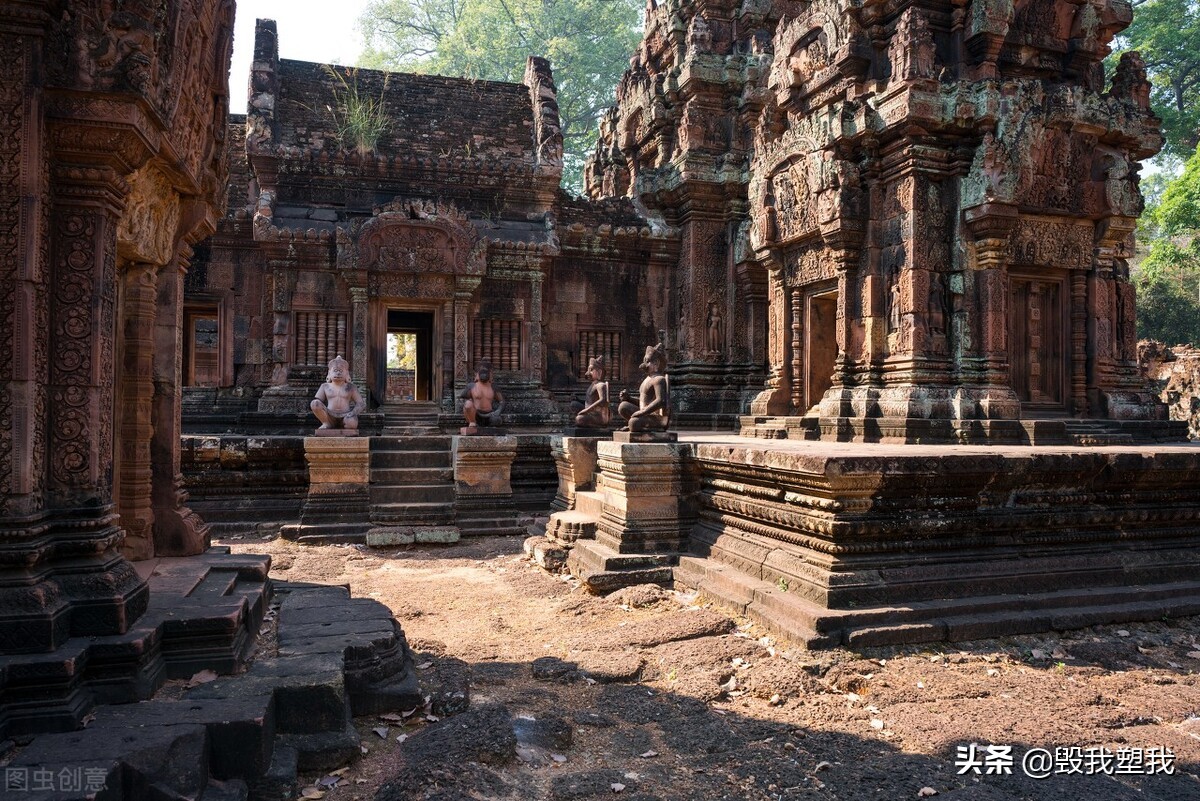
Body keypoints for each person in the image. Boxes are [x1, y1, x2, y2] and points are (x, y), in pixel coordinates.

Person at [618, 343, 671, 432]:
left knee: (633, 423)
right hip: (646, 414)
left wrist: (642, 412)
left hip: (656, 418)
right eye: (644, 361)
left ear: (656, 363)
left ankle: (639, 425)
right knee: (623, 406)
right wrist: (629, 398)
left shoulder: (659, 379)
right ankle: (636, 424)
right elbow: (644, 402)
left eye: (647, 361)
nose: (644, 364)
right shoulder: (647, 379)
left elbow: (660, 401)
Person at [310, 354, 363, 431]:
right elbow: (318, 401)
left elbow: (361, 403)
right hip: (328, 415)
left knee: (352, 424)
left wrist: (353, 413)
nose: (338, 373)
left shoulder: (351, 387)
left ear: (347, 373)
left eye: (341, 371)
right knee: (315, 403)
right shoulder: (325, 386)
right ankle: (326, 423)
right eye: (335, 370)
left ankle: (344, 426)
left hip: (346, 415)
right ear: (329, 373)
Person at [460, 361, 505, 432]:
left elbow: (502, 401)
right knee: (468, 404)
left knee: (497, 420)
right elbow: (462, 398)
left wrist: (498, 411)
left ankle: (488, 426)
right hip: (475, 414)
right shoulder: (471, 386)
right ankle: (472, 423)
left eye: (487, 372)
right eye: (482, 372)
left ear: (491, 374)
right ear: (476, 374)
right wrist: (469, 406)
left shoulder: (494, 387)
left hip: (489, 414)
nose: (484, 375)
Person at [574, 356, 612, 427]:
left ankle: (599, 425)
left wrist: (586, 410)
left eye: (591, 370)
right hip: (591, 413)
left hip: (598, 416)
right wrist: (578, 400)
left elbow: (603, 400)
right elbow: (590, 401)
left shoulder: (601, 385)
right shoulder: (593, 384)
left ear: (599, 372)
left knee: (579, 419)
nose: (587, 373)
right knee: (574, 404)